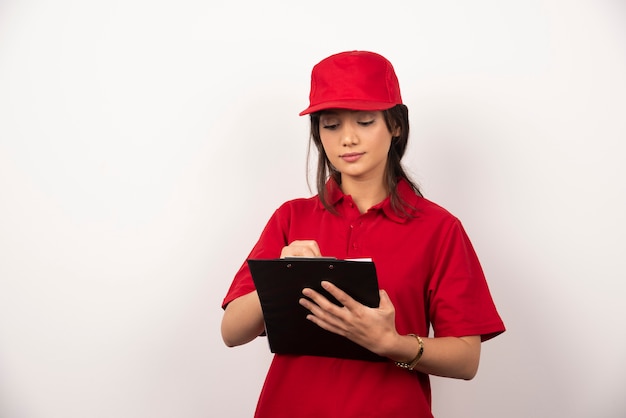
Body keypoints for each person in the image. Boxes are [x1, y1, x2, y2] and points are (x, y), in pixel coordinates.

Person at [221, 50, 505, 418]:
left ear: (396, 125)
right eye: (331, 124)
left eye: (366, 121)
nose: (348, 138)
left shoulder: (439, 228)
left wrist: (392, 344)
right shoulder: (291, 217)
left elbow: (467, 359)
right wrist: (281, 275)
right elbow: (232, 332)